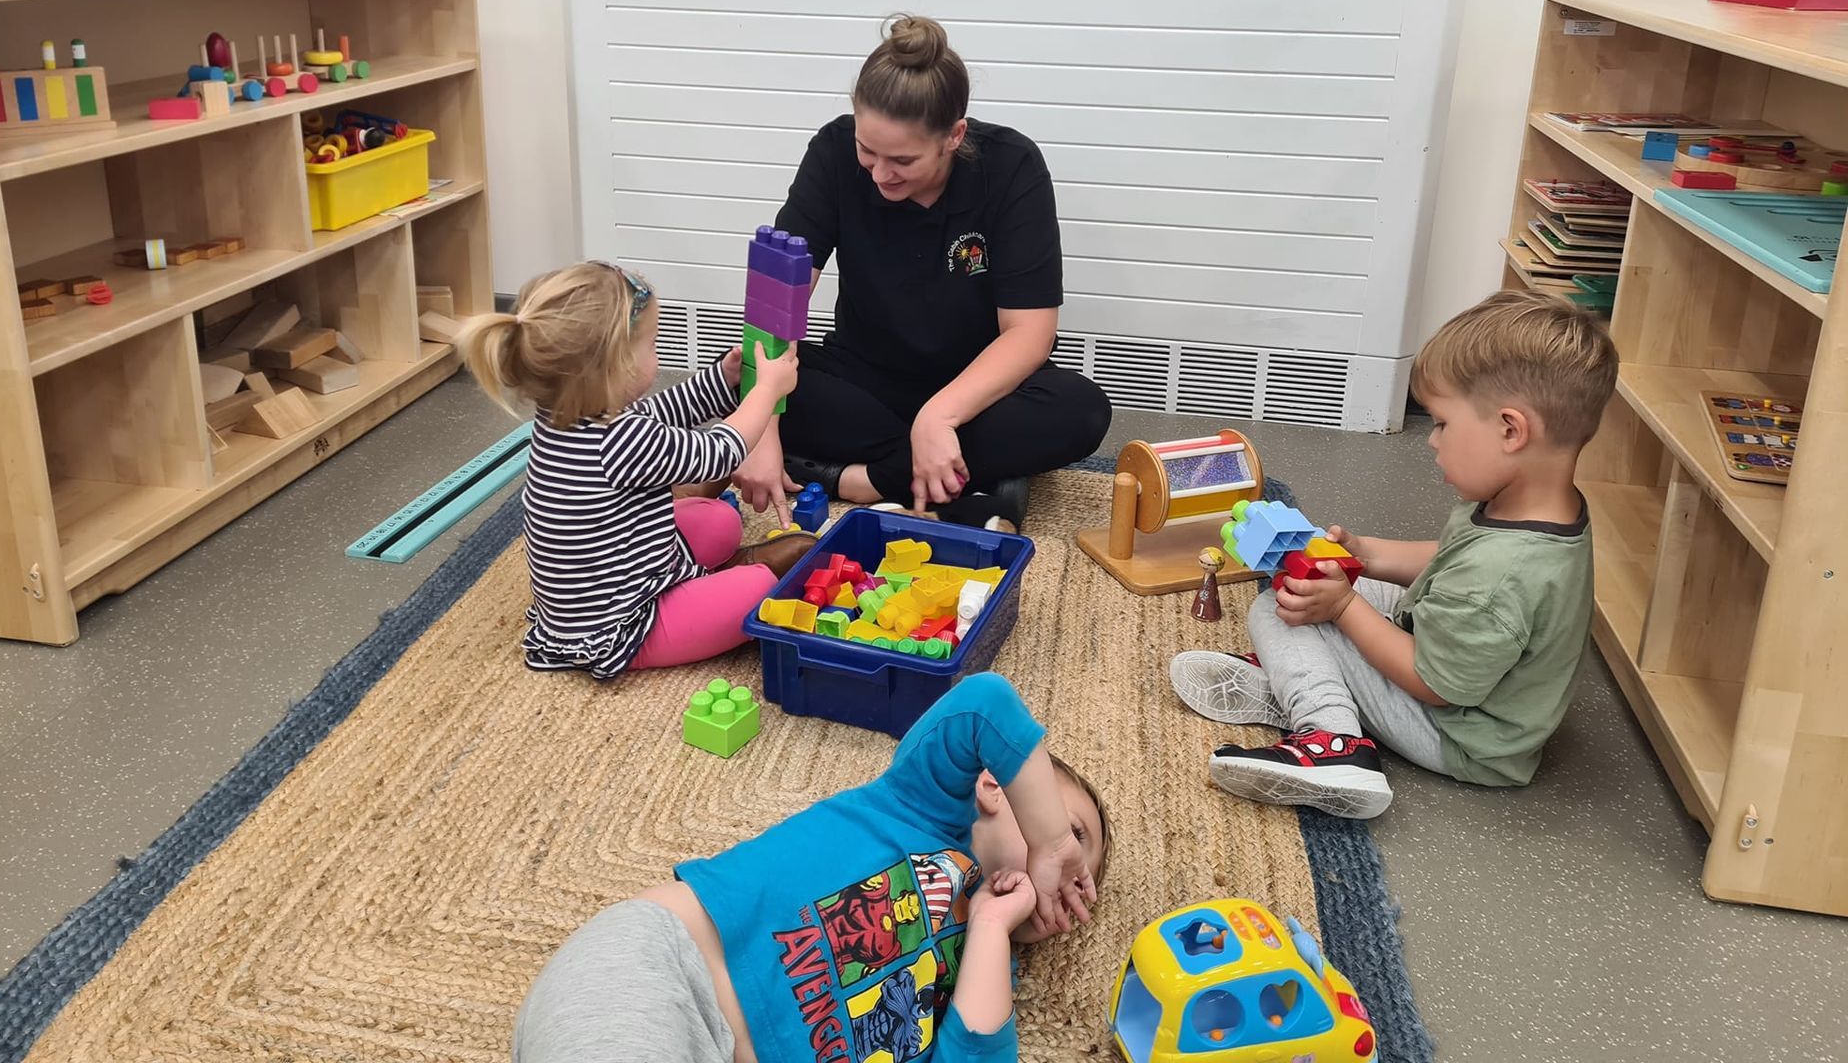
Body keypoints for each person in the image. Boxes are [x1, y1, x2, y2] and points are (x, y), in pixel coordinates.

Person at [1170, 291, 1618, 818]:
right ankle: (1310, 681)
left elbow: (1434, 685)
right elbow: (1448, 559)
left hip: (1457, 735)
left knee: (1283, 603)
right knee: (1324, 590)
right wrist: (1367, 555)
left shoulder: (1502, 574)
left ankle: (1334, 740)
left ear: (1510, 430)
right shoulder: (1530, 509)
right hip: (1452, 665)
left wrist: (1341, 609)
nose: (1431, 442)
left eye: (1443, 424)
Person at [510, 673, 1108, 1062]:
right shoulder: (921, 805)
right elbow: (986, 706)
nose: (1075, 881)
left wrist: (988, 932)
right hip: (663, 975)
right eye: (1077, 838)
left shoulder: (982, 968)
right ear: (993, 786)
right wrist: (1053, 842)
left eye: (1086, 882)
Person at [734, 15, 1111, 532]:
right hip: (862, 376)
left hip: (974, 387)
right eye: (869, 151)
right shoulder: (833, 151)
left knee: (1080, 410)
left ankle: (858, 483)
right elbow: (776, 306)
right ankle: (960, 484)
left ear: (954, 136)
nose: (880, 173)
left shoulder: (1012, 166)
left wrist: (940, 417)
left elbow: (1029, 333)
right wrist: (762, 434)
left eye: (903, 160)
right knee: (739, 373)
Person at [455, 261, 815, 677]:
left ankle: (697, 577)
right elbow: (719, 451)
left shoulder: (569, 414)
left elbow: (659, 413)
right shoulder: (616, 440)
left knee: (718, 521)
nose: (657, 356)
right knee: (756, 589)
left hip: (620, 571)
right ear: (615, 367)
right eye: (652, 346)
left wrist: (722, 378)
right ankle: (709, 586)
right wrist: (767, 392)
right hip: (622, 624)